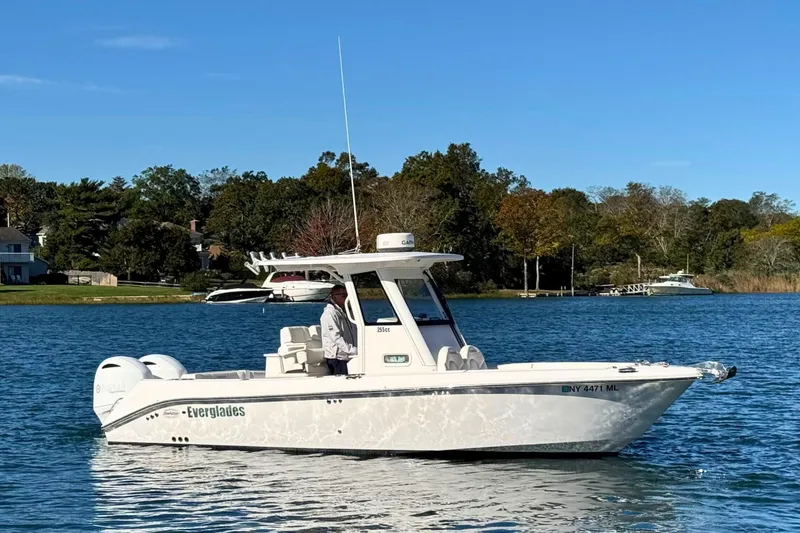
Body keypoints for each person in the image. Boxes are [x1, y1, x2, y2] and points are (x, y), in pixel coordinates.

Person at [320, 284, 358, 375]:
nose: (346, 298)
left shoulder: (344, 312)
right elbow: (335, 337)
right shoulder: (330, 313)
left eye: (347, 295)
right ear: (334, 296)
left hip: (349, 356)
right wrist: (351, 350)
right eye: (343, 295)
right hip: (338, 358)